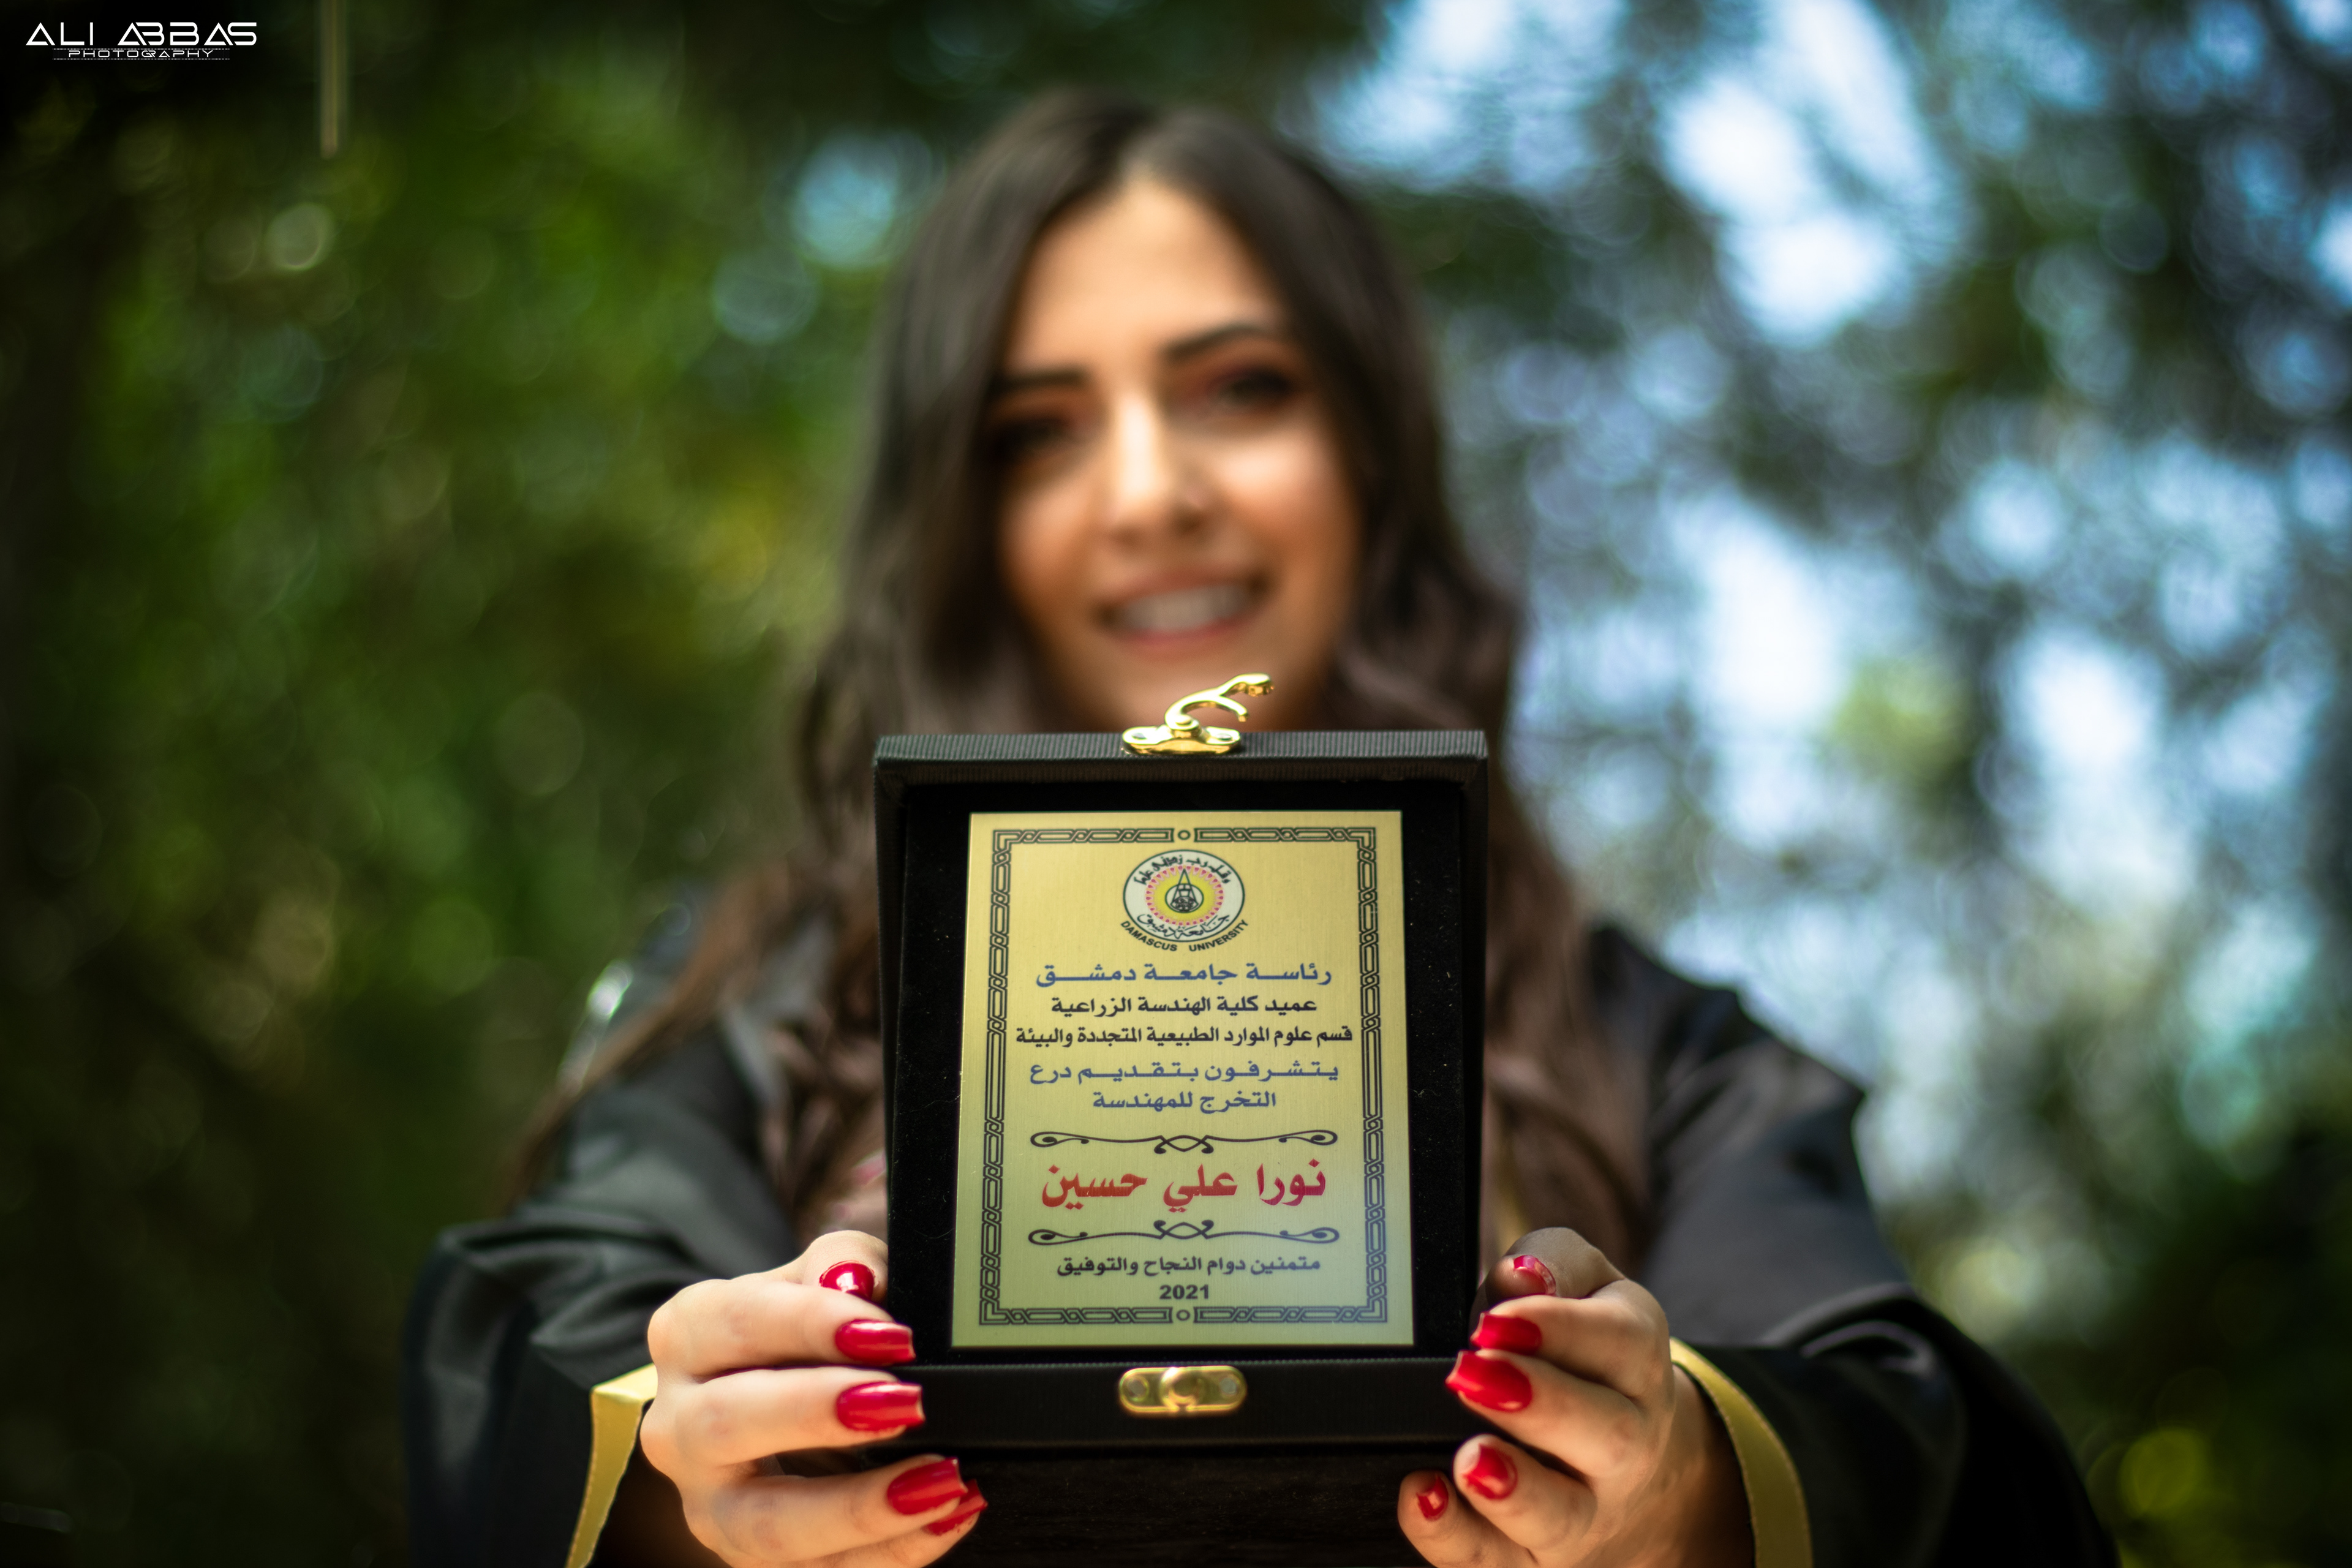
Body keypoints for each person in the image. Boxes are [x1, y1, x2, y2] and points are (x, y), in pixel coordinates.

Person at [402, 92, 2113, 1568]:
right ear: (964, 519)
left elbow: (1926, 1448)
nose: (1153, 492)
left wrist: (1682, 1491)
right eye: (1039, 431)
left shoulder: (1656, 1055)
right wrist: (694, 1483)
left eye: (1238, 389)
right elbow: (519, 1361)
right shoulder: (763, 1007)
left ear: (1371, 452)